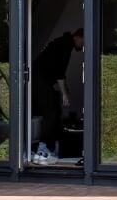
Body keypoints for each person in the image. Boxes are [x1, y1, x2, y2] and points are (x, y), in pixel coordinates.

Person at [30, 27, 83, 164]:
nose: (83, 46)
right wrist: (64, 94)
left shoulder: (62, 42)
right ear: (78, 37)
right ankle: (42, 150)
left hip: (37, 79)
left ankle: (36, 148)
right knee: (51, 113)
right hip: (40, 80)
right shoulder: (66, 45)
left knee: (46, 111)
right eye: (84, 42)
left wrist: (64, 88)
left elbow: (56, 70)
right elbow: (60, 72)